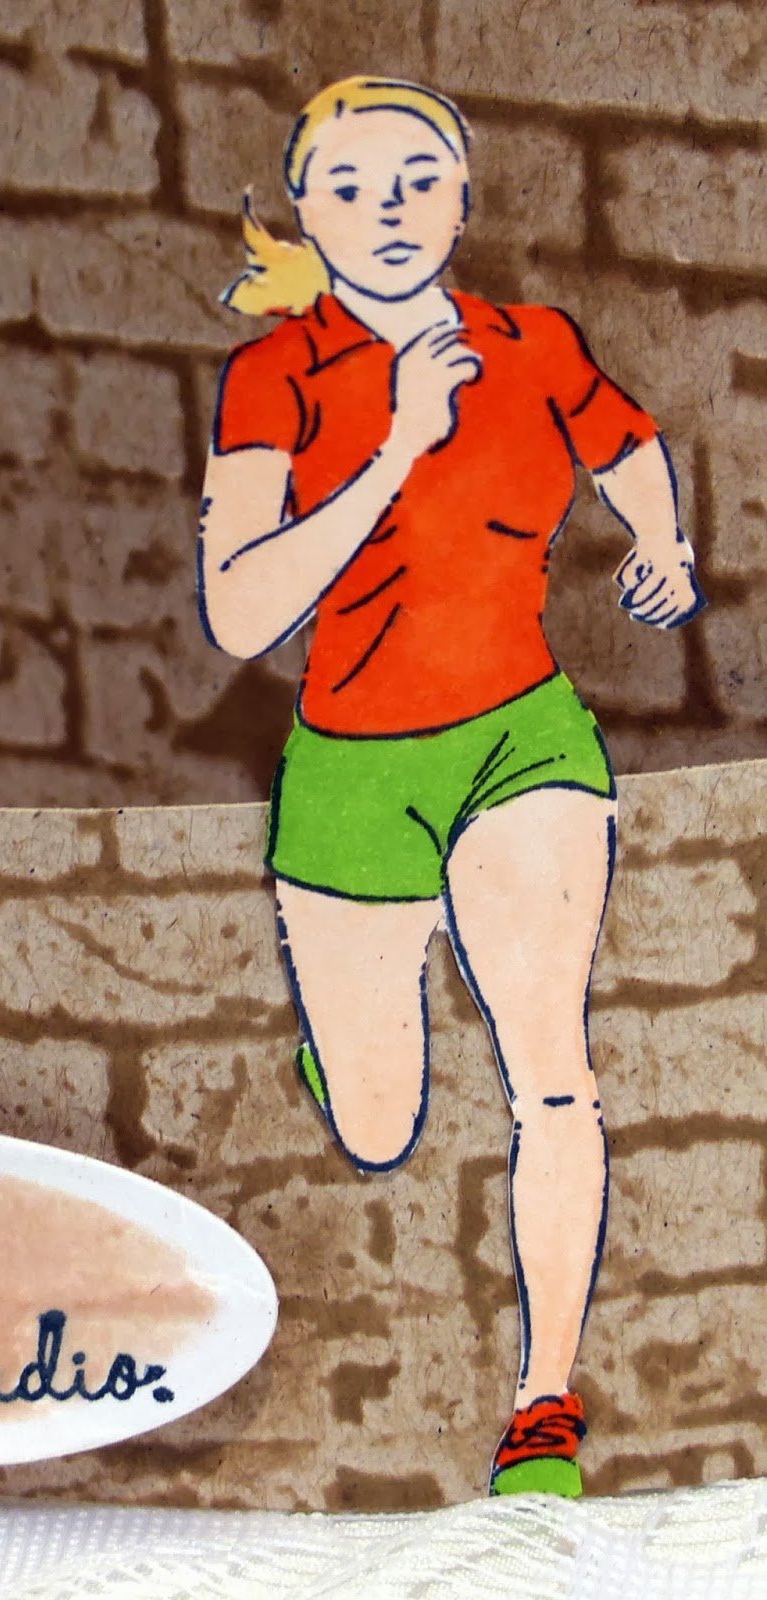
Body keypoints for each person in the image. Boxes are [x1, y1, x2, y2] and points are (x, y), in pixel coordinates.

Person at [197, 75, 704, 1498]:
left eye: (418, 180)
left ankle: (542, 1404)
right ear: (307, 211)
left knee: (551, 1070)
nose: (388, 210)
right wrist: (391, 448)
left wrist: (659, 540)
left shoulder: (531, 344)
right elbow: (238, 613)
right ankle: (346, 1050)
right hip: (355, 769)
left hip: (519, 741)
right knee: (377, 1127)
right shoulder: (275, 377)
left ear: (463, 201)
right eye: (351, 187)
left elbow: (625, 444)